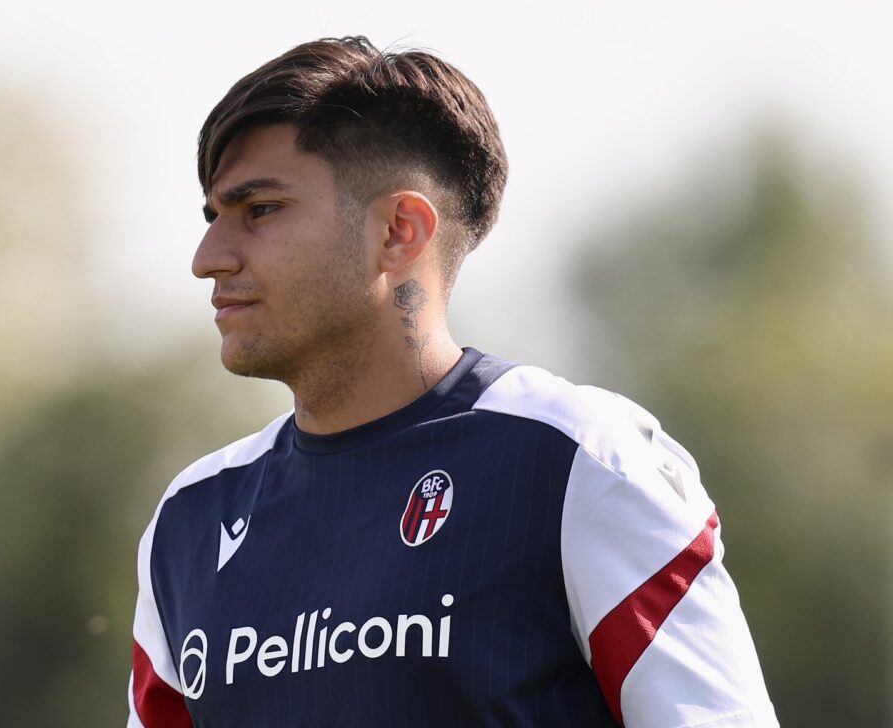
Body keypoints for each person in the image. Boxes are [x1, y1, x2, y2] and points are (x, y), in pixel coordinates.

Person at [127, 36, 778, 728]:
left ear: (400, 231)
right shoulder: (190, 520)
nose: (208, 259)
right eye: (212, 217)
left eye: (260, 209)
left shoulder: (577, 461)